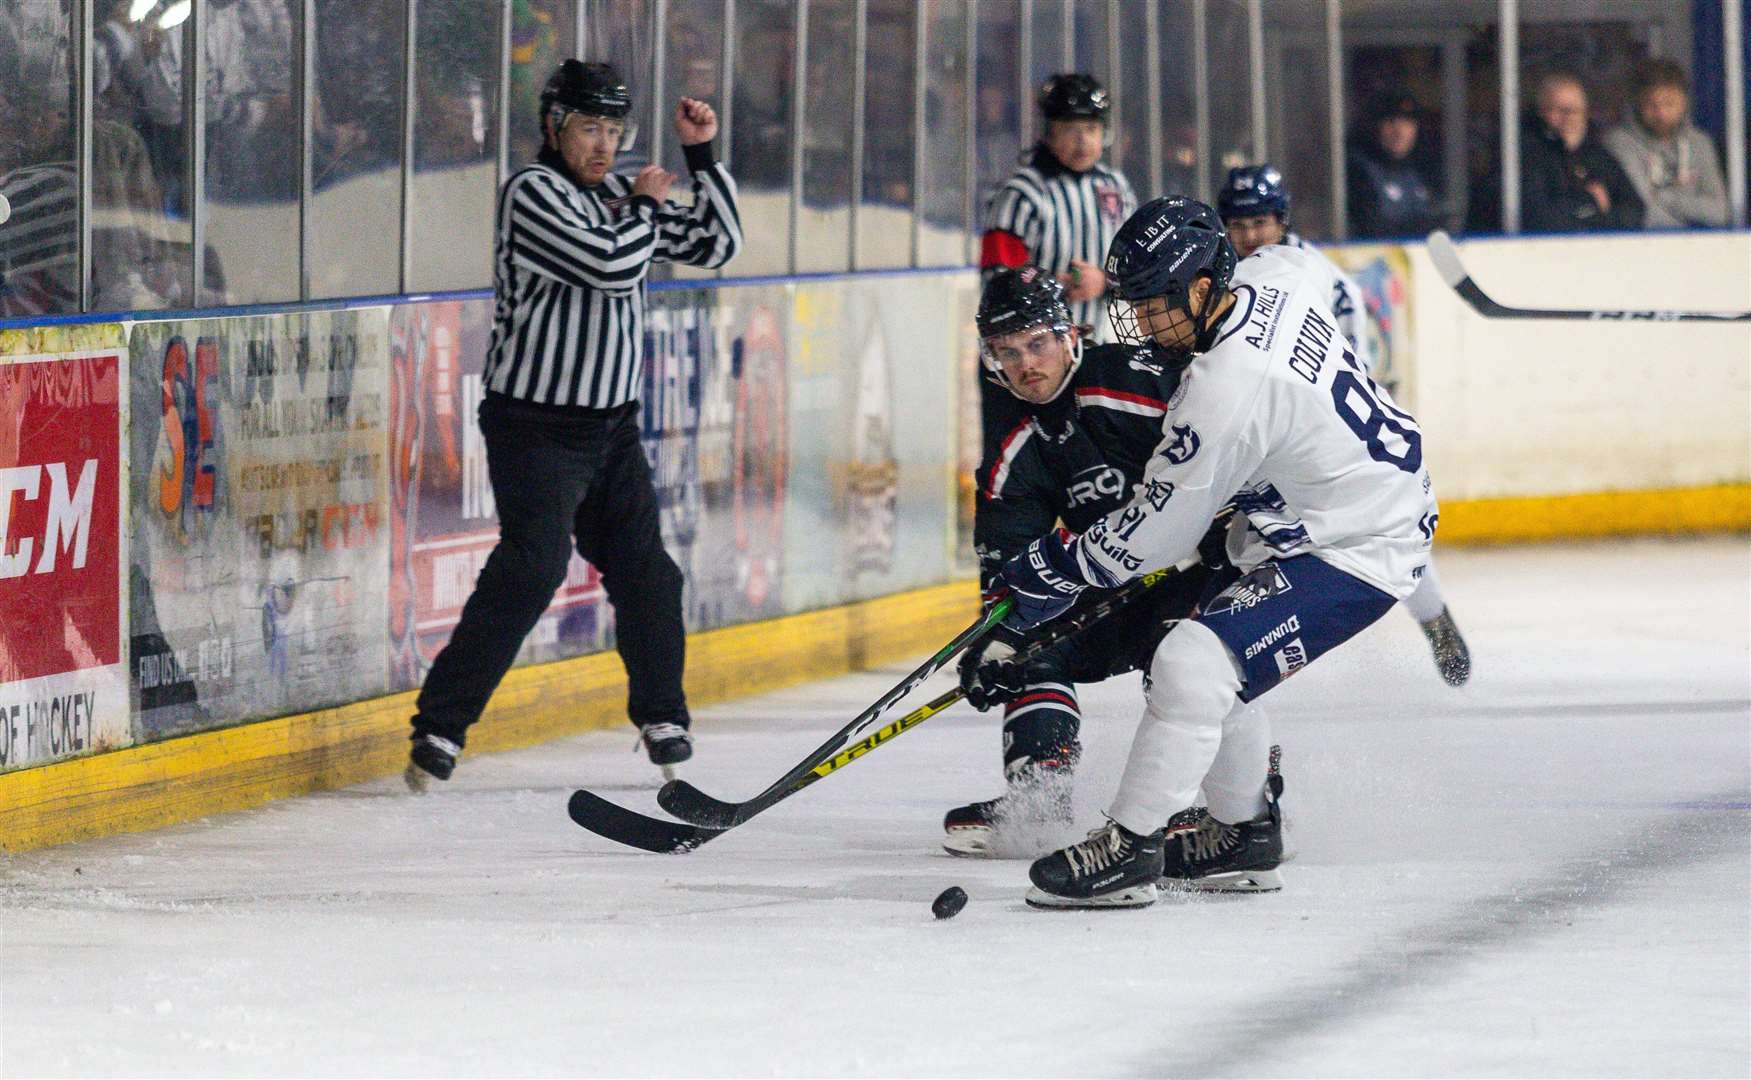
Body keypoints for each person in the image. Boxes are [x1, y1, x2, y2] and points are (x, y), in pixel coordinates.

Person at [993, 197, 1437, 908]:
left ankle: (1131, 846)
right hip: (1323, 508)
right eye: (1131, 303)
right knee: (1197, 655)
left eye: (1152, 304)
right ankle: (1242, 836)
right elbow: (1299, 260)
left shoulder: (1224, 388)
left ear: (1202, 289)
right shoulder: (1274, 278)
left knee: (1190, 662)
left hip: (1355, 542)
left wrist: (1057, 568)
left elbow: (1157, 532)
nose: (1138, 323)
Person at [405, 60, 742, 790]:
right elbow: (608, 265)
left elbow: (718, 247)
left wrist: (701, 156)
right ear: (555, 128)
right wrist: (649, 211)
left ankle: (663, 716)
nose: (604, 144)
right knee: (532, 566)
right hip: (535, 424)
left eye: (615, 129)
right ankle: (441, 725)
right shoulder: (532, 193)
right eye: (590, 127)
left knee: (648, 573)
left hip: (611, 429)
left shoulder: (624, 195)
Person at [946, 266, 1232, 857]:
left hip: (1199, 572)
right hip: (1115, 583)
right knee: (1026, 647)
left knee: (1186, 657)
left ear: (1070, 335)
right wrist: (994, 642)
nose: (1027, 363)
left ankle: (1237, 803)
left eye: (1037, 342)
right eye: (1008, 350)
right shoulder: (1014, 449)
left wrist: (1226, 515)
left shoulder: (1127, 381)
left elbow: (1231, 435)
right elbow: (1011, 574)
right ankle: (1038, 802)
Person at [1219, 163, 1469, 686]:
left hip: (1327, 432)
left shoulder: (1322, 280)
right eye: (1237, 224)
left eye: (1259, 223)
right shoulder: (1220, 275)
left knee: (1379, 525)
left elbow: (1351, 368)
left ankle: (1432, 616)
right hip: (1267, 432)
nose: (1248, 236)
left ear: (1281, 220)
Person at [981, 73, 1138, 343]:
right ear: (1049, 132)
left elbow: (1139, 268)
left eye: (1091, 129)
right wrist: (1052, 288)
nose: (1083, 141)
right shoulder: (1021, 195)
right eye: (1070, 129)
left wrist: (1104, 282)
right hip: (1028, 361)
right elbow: (996, 282)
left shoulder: (1116, 188)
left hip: (1096, 352)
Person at [1474, 70, 1642, 236]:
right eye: (1560, 110)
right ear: (1541, 111)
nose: (1568, 118)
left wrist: (1597, 219)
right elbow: (1538, 219)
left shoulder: (1597, 156)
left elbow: (1635, 211)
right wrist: (1592, 203)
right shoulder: (1524, 154)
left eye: (1575, 111)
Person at [1603, 58, 1729, 231]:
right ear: (1638, 104)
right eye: (1652, 105)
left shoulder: (1699, 143)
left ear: (1684, 102)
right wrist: (1686, 236)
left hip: (1698, 247)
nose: (1661, 113)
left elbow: (1720, 211)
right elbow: (1641, 209)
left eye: (1669, 104)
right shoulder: (1620, 143)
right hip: (1640, 244)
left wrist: (1664, 197)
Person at [1346, 92, 1443, 240]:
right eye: (1391, 122)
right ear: (1375, 126)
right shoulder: (1358, 171)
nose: (1400, 132)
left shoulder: (1421, 171)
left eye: (1407, 123)